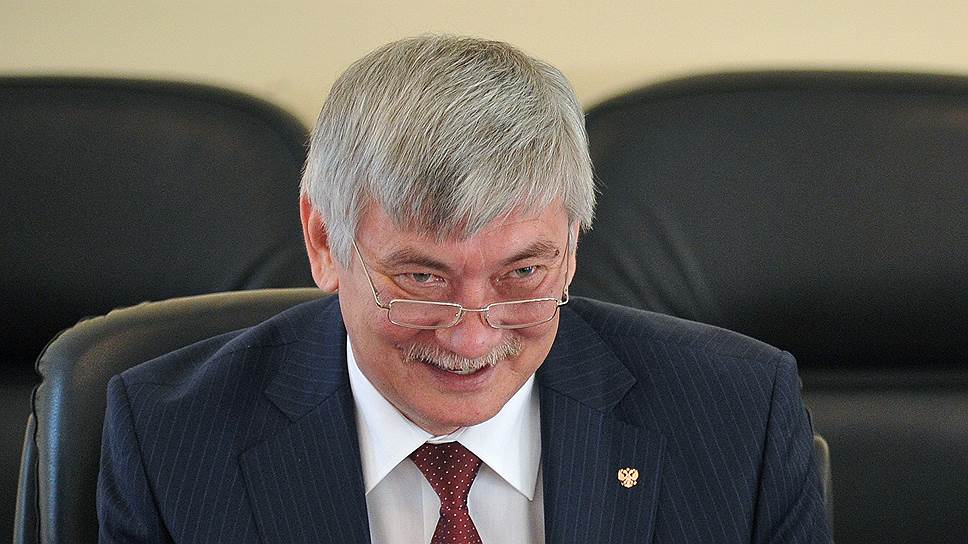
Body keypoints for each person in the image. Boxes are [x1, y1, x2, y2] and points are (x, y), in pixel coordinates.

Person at [97, 35, 831, 543]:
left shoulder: (739, 416)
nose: (474, 336)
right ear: (324, 241)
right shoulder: (171, 437)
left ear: (573, 246)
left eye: (523, 274)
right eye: (422, 278)